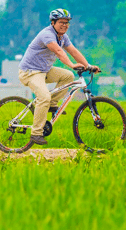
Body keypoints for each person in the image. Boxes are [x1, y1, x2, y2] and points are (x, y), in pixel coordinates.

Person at [18, 8, 100, 145]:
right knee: (43, 97)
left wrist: (88, 65)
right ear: (53, 22)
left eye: (67, 23)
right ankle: (36, 133)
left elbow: (73, 50)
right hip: (30, 72)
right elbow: (58, 51)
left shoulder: (63, 36)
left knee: (68, 76)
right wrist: (72, 65)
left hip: (44, 70)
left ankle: (51, 104)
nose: (65, 25)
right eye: (62, 22)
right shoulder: (47, 35)